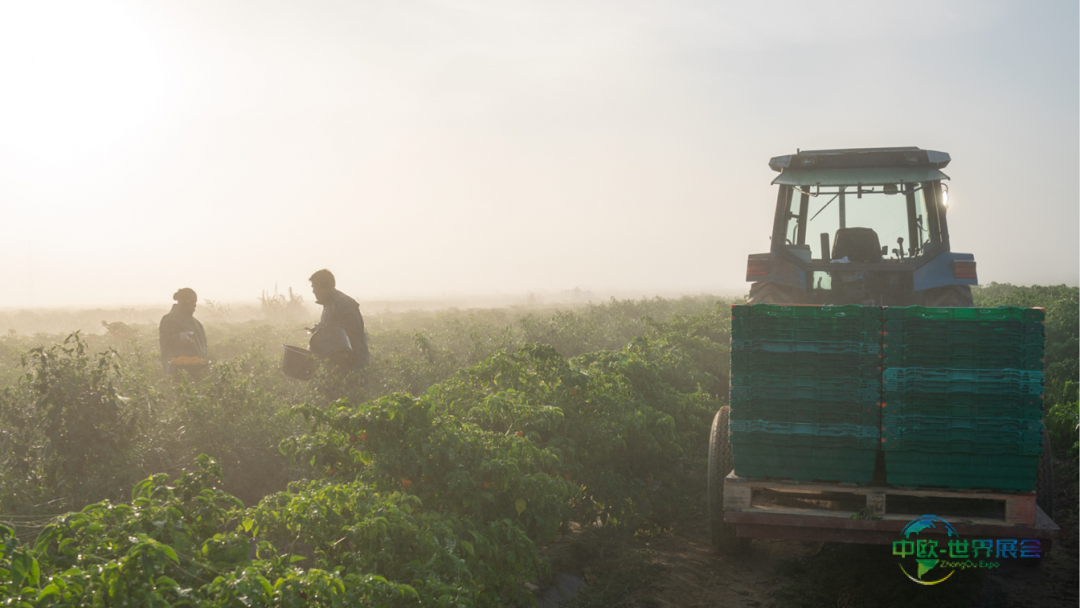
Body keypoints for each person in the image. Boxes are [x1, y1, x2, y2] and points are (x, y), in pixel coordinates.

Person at [309, 269, 370, 370]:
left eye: (314, 287)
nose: (313, 291)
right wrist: (319, 329)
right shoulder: (329, 303)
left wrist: (326, 331)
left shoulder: (343, 303)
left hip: (352, 363)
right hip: (339, 363)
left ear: (320, 284)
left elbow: (352, 331)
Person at [159, 288, 207, 371]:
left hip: (198, 370)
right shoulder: (170, 319)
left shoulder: (196, 323)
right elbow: (164, 341)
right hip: (177, 372)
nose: (195, 305)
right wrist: (179, 337)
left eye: (195, 302)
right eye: (192, 302)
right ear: (183, 303)